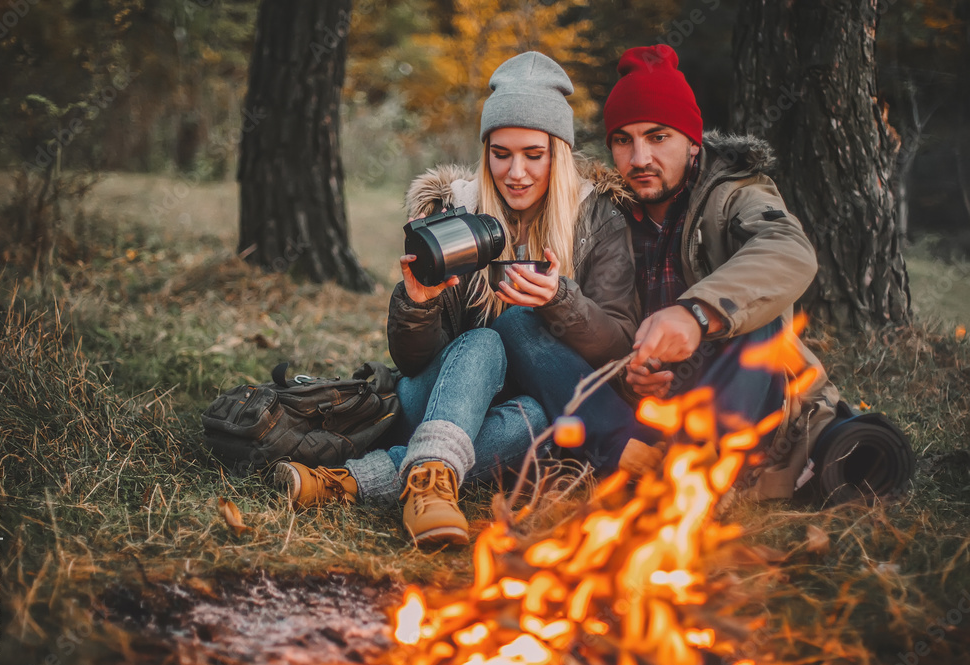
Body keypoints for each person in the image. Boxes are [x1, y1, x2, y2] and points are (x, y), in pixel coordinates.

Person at [271, 52, 638, 547]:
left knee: (536, 414)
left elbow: (618, 345)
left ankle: (365, 481)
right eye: (501, 153)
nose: (516, 172)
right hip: (440, 394)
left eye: (534, 153)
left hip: (519, 419)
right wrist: (417, 304)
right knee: (486, 342)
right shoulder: (453, 215)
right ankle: (424, 481)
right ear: (485, 151)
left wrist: (561, 300)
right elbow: (413, 360)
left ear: (559, 153)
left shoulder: (598, 221)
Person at [495, 44, 842, 500]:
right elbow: (608, 334)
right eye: (624, 140)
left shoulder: (735, 194)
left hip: (734, 395)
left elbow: (789, 250)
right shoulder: (603, 210)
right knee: (518, 325)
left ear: (692, 140)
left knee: (758, 320)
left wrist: (697, 315)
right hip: (638, 408)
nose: (640, 158)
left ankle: (701, 475)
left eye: (658, 137)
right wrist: (633, 373)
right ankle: (635, 460)